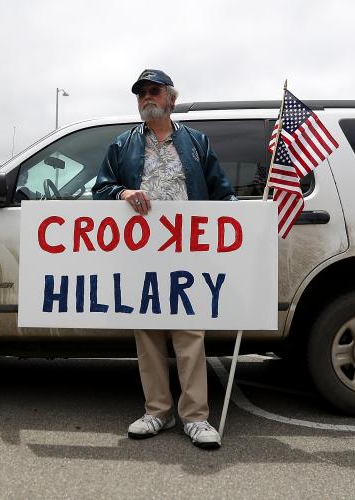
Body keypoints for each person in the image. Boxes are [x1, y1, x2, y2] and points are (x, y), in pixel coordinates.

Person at [93, 69, 236, 450]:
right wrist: (122, 192)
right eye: (140, 93)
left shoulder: (197, 142)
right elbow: (100, 189)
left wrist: (250, 227)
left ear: (170, 99)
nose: (146, 98)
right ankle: (157, 410)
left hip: (188, 251)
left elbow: (222, 192)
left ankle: (196, 417)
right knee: (148, 332)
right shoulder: (122, 145)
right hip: (141, 253)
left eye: (154, 91)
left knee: (190, 333)